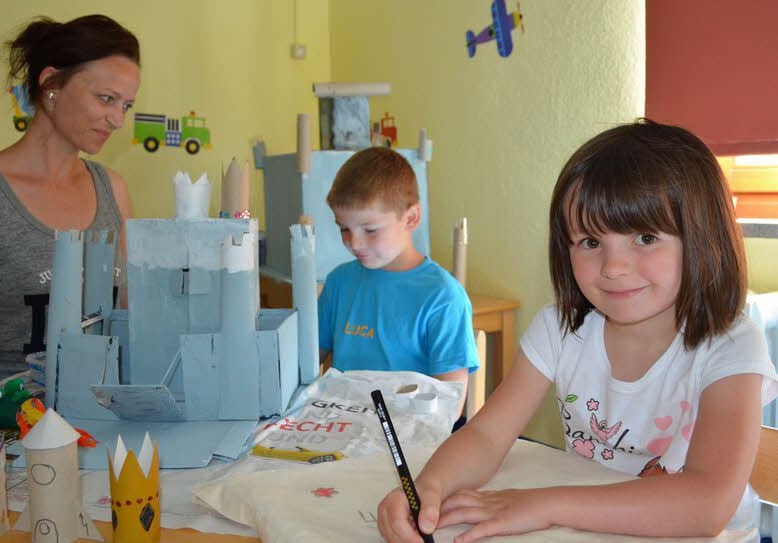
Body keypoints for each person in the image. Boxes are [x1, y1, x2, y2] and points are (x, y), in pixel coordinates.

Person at [377, 119, 778, 541]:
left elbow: (707, 505)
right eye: (589, 242)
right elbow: (487, 435)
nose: (613, 267)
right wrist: (429, 487)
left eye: (644, 237)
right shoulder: (559, 328)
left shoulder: (731, 346)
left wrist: (545, 505)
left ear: (702, 238)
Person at [0, 14, 140, 421]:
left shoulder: (114, 190)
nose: (118, 120)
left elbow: (128, 314)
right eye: (106, 99)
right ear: (51, 85)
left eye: (126, 105)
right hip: (7, 423)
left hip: (100, 416)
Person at [318, 146, 480, 416]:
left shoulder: (443, 297)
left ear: (411, 218)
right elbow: (306, 365)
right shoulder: (339, 282)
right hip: (342, 431)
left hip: (409, 443)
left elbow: (448, 405)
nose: (354, 242)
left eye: (370, 229)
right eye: (344, 227)